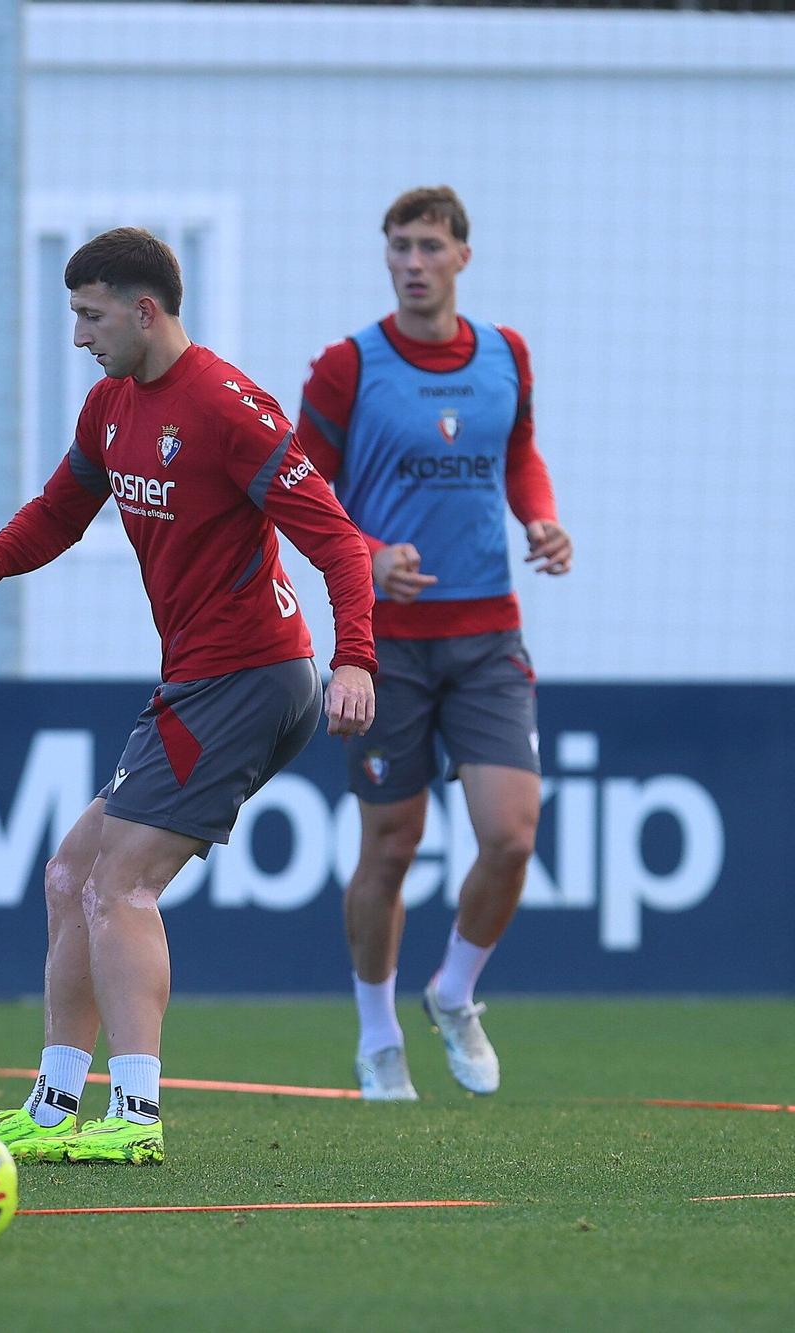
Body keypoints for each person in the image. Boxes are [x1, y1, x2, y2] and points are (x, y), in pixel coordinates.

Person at [0, 228, 377, 1165]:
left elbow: (340, 542)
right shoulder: (109, 407)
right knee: (70, 875)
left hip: (253, 675)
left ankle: (134, 1115)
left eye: (90, 315)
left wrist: (356, 661)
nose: (78, 336)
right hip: (196, 679)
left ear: (146, 310)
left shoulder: (231, 407)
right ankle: (57, 1102)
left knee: (120, 884)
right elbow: (63, 510)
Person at [296, 186, 571, 1101]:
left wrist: (542, 520)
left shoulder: (506, 357)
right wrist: (367, 557)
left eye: (427, 246)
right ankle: (377, 1034)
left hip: (488, 632)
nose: (411, 262)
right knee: (390, 848)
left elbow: (519, 451)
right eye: (397, 247)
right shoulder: (347, 367)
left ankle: (454, 993)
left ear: (462, 255)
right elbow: (299, 493)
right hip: (390, 645)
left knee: (511, 834)